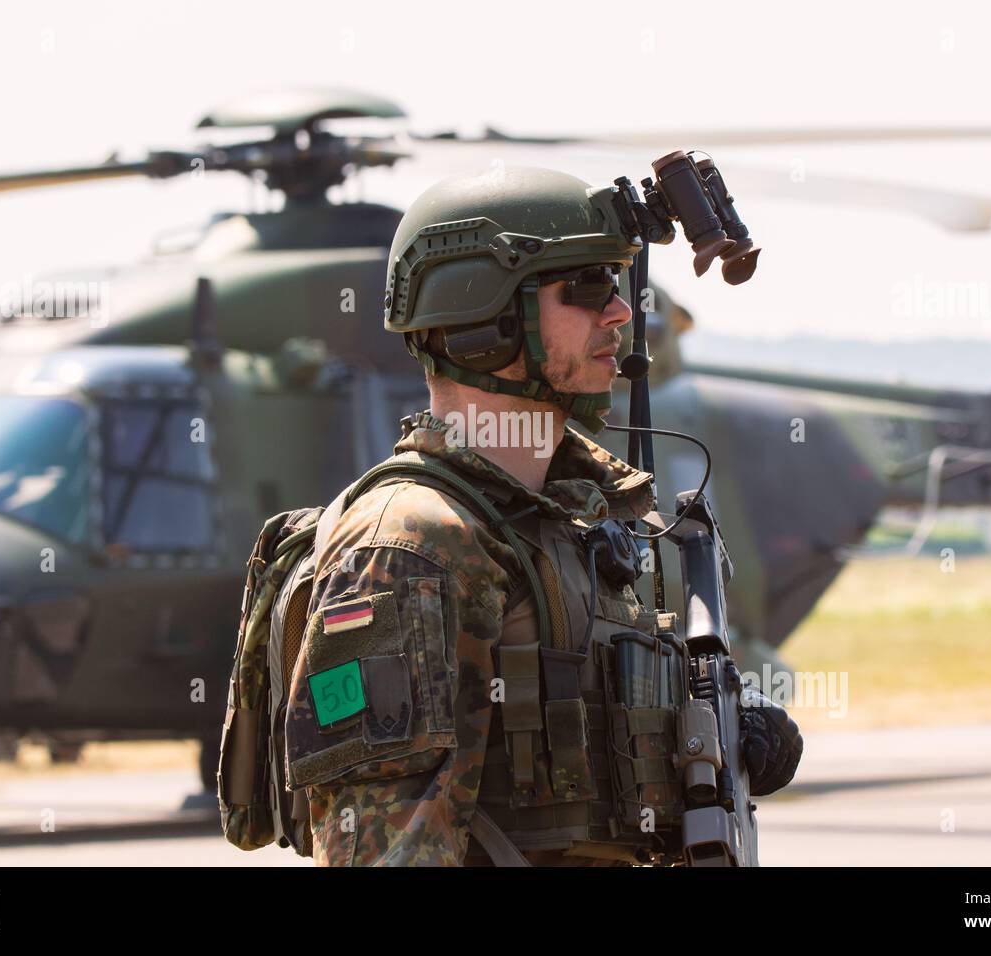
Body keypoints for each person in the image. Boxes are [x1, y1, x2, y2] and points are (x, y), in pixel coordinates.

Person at [282, 166, 801, 866]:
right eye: (586, 290)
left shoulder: (576, 522)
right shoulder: (417, 541)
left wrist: (713, 740)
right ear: (484, 317)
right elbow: (387, 851)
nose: (619, 313)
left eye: (615, 287)